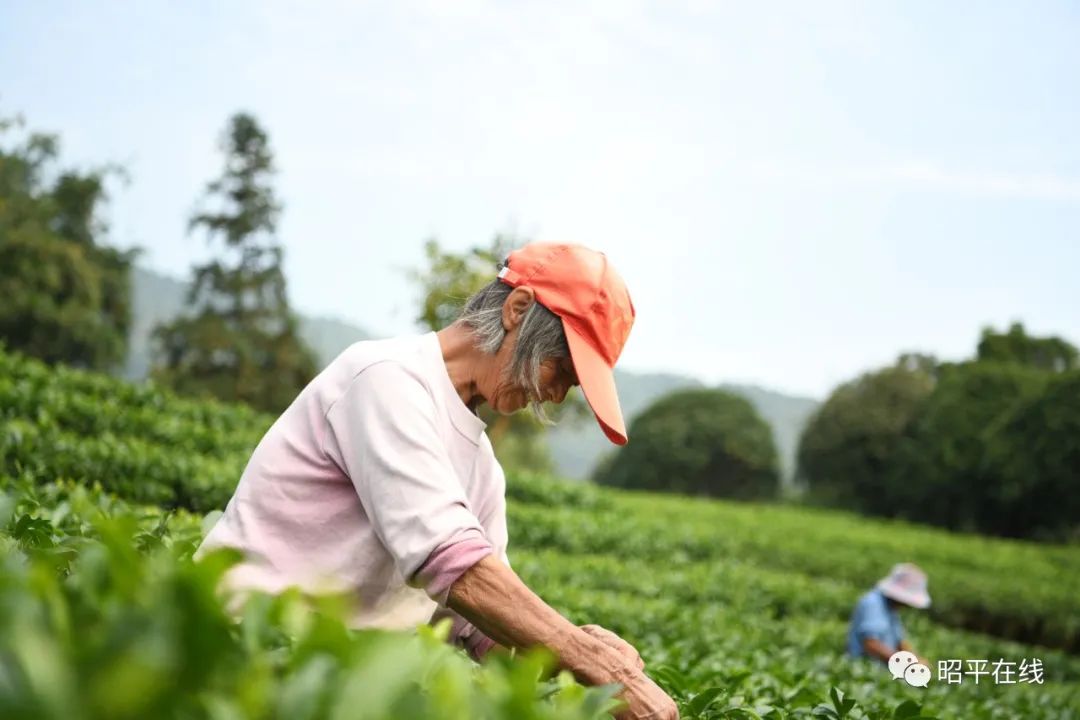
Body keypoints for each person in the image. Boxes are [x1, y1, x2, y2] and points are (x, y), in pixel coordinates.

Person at [196, 242, 679, 720]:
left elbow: (476, 622)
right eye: (563, 368)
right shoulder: (386, 380)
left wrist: (575, 650)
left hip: (338, 686)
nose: (556, 394)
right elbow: (453, 564)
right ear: (518, 308)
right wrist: (591, 661)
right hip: (247, 659)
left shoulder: (482, 466)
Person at [847, 563, 931, 666]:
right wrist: (905, 663)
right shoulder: (873, 604)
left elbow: (899, 642)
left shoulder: (891, 608)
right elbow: (870, 644)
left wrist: (915, 659)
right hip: (865, 668)